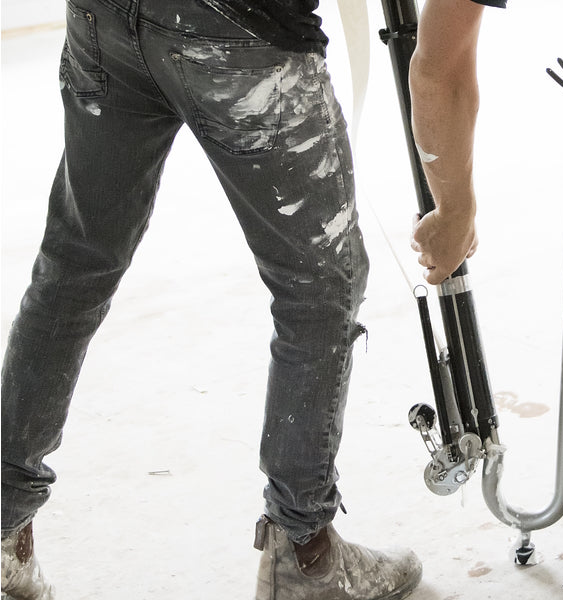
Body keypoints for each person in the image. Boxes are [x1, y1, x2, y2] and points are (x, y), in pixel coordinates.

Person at [0, 0, 503, 598]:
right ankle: (303, 553)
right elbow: (441, 70)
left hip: (103, 14)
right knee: (319, 287)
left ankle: (2, 528)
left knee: (76, 261)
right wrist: (456, 210)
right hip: (233, 32)